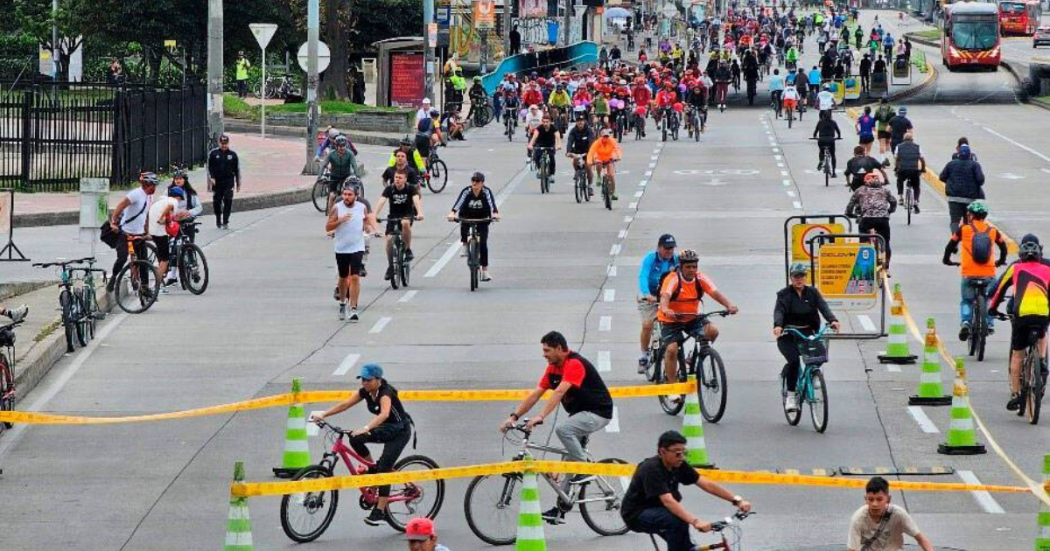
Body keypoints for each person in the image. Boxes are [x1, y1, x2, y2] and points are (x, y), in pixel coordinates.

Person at [499, 330, 614, 524]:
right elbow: (536, 394)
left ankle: (584, 469)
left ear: (559, 348)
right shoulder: (552, 369)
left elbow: (559, 392)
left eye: (547, 350)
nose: (544, 354)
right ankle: (561, 509)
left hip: (598, 412)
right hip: (579, 415)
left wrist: (540, 416)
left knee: (564, 430)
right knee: (567, 461)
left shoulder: (574, 363)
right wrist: (514, 416)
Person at [312, 363, 412, 526]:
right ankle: (372, 468)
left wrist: (365, 428)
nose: (364, 383)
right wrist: (324, 414)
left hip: (400, 432)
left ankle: (379, 511)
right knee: (355, 439)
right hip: (386, 428)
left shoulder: (385, 393)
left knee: (384, 470)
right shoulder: (365, 391)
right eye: (362, 379)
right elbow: (345, 404)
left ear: (378, 379)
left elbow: (384, 414)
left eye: (368, 380)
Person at [621, 430, 752, 551]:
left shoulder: (679, 464)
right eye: (678, 453)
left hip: (662, 512)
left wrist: (737, 500)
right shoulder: (651, 469)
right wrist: (696, 521)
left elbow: (706, 484)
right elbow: (668, 501)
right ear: (662, 452)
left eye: (684, 452)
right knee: (678, 522)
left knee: (686, 544)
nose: (682, 457)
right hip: (637, 514)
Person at [657, 249, 738, 401]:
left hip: (691, 317)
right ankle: (672, 387)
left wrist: (729, 305)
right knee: (672, 349)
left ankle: (690, 359)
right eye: (688, 267)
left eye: (694, 266)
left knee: (712, 331)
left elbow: (714, 292)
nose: (692, 270)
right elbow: (665, 296)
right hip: (671, 319)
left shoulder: (700, 278)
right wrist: (666, 309)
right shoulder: (673, 278)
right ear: (681, 266)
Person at [990, 234, 1050, 410]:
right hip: (1042, 314)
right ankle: (1042, 361)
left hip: (1021, 315)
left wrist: (992, 309)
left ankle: (1016, 394)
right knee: (1042, 333)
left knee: (1017, 354)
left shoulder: (1016, 267)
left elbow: (999, 290)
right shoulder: (1047, 268)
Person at [773, 263, 841, 413]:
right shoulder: (784, 294)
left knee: (820, 355)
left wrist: (833, 320)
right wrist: (778, 325)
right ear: (791, 278)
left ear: (806, 277)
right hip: (788, 334)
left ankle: (814, 374)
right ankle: (791, 395)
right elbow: (779, 311)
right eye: (796, 276)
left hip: (808, 332)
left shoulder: (812, 292)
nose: (799, 279)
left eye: (802, 276)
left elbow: (823, 307)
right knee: (794, 362)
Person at [942, 201, 1008, 341]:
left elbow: (950, 246)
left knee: (967, 300)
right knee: (989, 298)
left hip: (969, 273)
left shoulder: (964, 229)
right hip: (988, 273)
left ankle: (966, 322)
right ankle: (989, 323)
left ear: (971, 215)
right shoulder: (992, 231)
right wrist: (1001, 261)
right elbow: (1003, 247)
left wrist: (946, 260)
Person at [326, 184, 376, 322]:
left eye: (349, 195)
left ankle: (353, 308)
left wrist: (367, 228)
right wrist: (340, 220)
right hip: (341, 248)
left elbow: (365, 221)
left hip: (357, 247)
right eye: (345, 194)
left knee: (355, 277)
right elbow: (328, 227)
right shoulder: (337, 208)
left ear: (356, 196)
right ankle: (343, 303)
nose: (346, 197)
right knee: (343, 278)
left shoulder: (362, 207)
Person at [847, 476, 935, 551]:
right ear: (865, 499)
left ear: (888, 499)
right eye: (871, 499)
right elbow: (852, 549)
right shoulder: (858, 519)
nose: (874, 504)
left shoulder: (898, 514)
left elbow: (921, 539)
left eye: (879, 499)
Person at [637, 235, 679, 373]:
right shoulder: (650, 259)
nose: (669, 251)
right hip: (651, 297)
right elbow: (643, 276)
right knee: (647, 324)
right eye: (666, 248)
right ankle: (644, 355)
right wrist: (647, 294)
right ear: (659, 247)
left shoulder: (676, 260)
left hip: (667, 297)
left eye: (671, 248)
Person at [448, 172, 500, 282]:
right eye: (473, 181)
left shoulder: (486, 191)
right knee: (463, 224)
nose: (474, 183)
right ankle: (465, 244)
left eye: (477, 181)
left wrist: (495, 214)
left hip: (482, 217)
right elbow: (459, 202)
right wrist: (452, 213)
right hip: (467, 214)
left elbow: (492, 204)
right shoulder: (467, 191)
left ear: (482, 183)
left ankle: (484, 270)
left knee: (483, 244)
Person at [374, 170, 424, 279]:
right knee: (389, 239)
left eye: (400, 178)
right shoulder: (390, 189)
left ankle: (408, 249)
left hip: (407, 214)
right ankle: (391, 266)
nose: (397, 179)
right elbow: (381, 201)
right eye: (396, 177)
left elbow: (416, 201)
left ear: (405, 179)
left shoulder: (410, 188)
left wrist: (420, 213)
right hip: (393, 216)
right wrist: (374, 214)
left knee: (405, 223)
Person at [847, 172, 897, 276]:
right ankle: (886, 267)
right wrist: (889, 211)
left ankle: (865, 266)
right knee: (886, 241)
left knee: (863, 242)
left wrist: (849, 213)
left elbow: (851, 204)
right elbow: (893, 202)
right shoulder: (885, 190)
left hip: (867, 219)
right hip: (883, 219)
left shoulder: (860, 190)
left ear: (865, 181)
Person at [939, 144, 985, 232]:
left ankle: (954, 238)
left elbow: (942, 177)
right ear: (970, 154)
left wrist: (951, 183)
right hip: (969, 199)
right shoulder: (975, 165)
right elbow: (981, 180)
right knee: (968, 221)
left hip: (954, 198)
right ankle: (966, 237)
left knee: (954, 221)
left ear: (958, 154)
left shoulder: (951, 164)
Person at [148, 186, 182, 295]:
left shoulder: (161, 200)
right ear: (178, 197)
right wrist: (161, 218)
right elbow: (170, 207)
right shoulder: (173, 201)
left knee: (162, 252)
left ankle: (159, 274)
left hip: (153, 230)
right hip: (159, 232)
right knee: (165, 260)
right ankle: (156, 286)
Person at [206, 134, 242, 229]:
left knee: (228, 200)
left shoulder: (233, 155)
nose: (224, 145)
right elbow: (210, 167)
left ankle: (225, 220)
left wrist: (238, 183)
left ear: (228, 143)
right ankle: (218, 218)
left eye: (225, 143)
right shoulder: (214, 154)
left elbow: (236, 170)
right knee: (217, 201)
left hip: (228, 181)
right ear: (219, 143)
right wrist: (212, 178)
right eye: (222, 143)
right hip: (217, 182)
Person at [319, 135, 359, 209]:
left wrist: (357, 176)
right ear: (336, 146)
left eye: (344, 146)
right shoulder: (331, 154)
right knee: (332, 196)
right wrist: (320, 177)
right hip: (334, 176)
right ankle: (330, 212)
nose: (342, 148)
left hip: (346, 176)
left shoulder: (349, 153)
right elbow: (324, 165)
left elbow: (354, 165)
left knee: (348, 194)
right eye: (340, 146)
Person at [893, 131, 925, 212]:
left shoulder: (899, 147)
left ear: (903, 139)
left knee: (899, 181)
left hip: (903, 170)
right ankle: (915, 201)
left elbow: (896, 159)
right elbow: (922, 159)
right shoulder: (917, 147)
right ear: (912, 139)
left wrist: (896, 168)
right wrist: (922, 169)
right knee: (916, 186)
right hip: (914, 170)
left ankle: (900, 198)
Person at [587, 128, 622, 200]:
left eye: (607, 136)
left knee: (611, 175)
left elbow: (617, 149)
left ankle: (613, 192)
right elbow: (591, 152)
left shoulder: (612, 141)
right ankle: (599, 176)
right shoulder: (597, 142)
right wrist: (589, 161)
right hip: (599, 157)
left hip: (609, 158)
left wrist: (618, 156)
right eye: (604, 136)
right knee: (598, 163)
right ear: (601, 136)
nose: (606, 138)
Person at [564, 114, 595, 196]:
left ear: (584, 121)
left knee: (588, 166)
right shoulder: (573, 131)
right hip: (577, 151)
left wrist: (590, 153)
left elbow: (591, 142)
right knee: (575, 162)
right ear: (576, 122)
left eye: (581, 121)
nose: (580, 122)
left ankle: (590, 186)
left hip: (588, 151)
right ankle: (577, 172)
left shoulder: (589, 130)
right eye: (578, 121)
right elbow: (570, 142)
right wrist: (568, 152)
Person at [527, 113, 562, 184]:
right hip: (540, 144)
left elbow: (558, 137)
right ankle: (540, 169)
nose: (545, 123)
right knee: (536, 156)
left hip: (550, 145)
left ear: (550, 122)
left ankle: (551, 174)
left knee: (552, 158)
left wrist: (559, 145)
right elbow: (534, 137)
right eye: (544, 122)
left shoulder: (553, 128)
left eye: (547, 122)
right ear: (542, 122)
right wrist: (530, 144)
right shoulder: (539, 128)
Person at [813, 111, 842, 177]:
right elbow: (838, 131)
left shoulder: (820, 122)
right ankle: (834, 173)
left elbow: (816, 131)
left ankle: (821, 161)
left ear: (823, 116)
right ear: (831, 116)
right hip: (831, 140)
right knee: (833, 155)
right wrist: (839, 137)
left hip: (821, 140)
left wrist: (814, 136)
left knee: (821, 151)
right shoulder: (833, 122)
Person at [873, 97, 895, 165]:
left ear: (881, 102)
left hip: (881, 129)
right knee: (888, 143)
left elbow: (875, 119)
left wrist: (873, 127)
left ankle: (882, 160)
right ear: (887, 102)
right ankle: (887, 158)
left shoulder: (878, 109)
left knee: (881, 144)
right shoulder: (891, 109)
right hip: (889, 128)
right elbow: (894, 118)